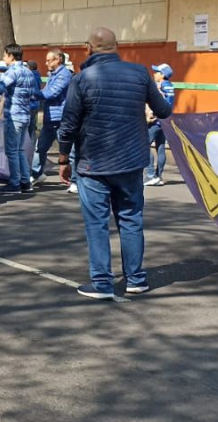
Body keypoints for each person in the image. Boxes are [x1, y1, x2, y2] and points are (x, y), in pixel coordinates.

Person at [57, 27, 171, 300]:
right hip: (132, 162)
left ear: (89, 48)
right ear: (116, 46)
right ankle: (136, 279)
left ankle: (102, 283)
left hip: (93, 164)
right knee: (131, 219)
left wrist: (63, 159)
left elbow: (69, 124)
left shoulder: (82, 78)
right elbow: (164, 110)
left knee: (96, 224)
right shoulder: (141, 73)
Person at [0, 43, 38, 195]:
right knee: (20, 149)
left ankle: (15, 183)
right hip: (25, 115)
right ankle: (25, 181)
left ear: (10, 55)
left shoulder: (12, 72)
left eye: (4, 55)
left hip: (13, 116)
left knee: (12, 151)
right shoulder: (28, 71)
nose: (4, 59)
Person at [32, 50, 73, 187]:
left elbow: (51, 93)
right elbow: (46, 92)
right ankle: (36, 174)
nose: (46, 63)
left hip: (61, 118)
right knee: (40, 148)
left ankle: (75, 180)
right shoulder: (52, 75)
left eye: (49, 60)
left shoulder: (64, 75)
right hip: (50, 119)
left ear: (58, 60)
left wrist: (31, 93)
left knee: (68, 150)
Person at [144, 64, 176, 187]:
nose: (154, 74)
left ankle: (150, 175)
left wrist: (152, 115)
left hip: (156, 121)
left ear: (162, 75)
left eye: (157, 72)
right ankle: (159, 176)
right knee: (161, 147)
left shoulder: (160, 86)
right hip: (166, 121)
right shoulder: (170, 86)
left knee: (144, 145)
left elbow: (158, 102)